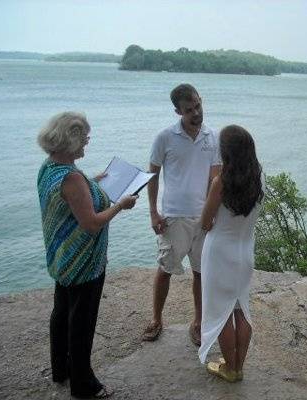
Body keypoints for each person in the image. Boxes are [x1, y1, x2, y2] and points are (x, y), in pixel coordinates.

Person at [37, 112, 138, 399]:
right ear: (70, 140)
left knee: (61, 314)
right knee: (81, 323)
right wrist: (120, 205)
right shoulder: (71, 177)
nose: (87, 143)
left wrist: (92, 181)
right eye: (84, 137)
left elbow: (69, 196)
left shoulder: (49, 168)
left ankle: (61, 369)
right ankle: (83, 384)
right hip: (83, 262)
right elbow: (92, 224)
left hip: (61, 257)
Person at [143, 84, 222, 345]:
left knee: (201, 273)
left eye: (198, 106)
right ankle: (156, 319)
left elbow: (215, 180)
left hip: (202, 218)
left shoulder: (213, 137)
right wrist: (153, 212)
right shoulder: (165, 137)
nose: (196, 113)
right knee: (165, 268)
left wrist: (213, 215)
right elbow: (152, 175)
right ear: (178, 111)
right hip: (173, 216)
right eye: (189, 110)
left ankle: (198, 322)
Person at [198, 125, 264, 383]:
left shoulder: (221, 182)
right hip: (245, 251)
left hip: (219, 254)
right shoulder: (260, 178)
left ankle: (230, 368)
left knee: (220, 312)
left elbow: (205, 222)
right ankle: (239, 367)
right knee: (240, 309)